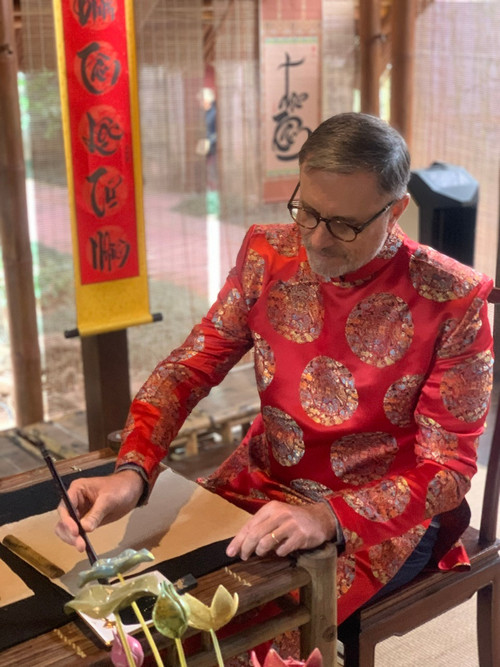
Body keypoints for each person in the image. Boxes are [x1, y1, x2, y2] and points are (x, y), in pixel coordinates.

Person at [56, 112, 494, 630]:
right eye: (307, 212)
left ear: (396, 209)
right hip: (263, 479)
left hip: (380, 517)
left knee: (238, 628)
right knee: (149, 605)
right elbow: (187, 369)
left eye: (345, 225)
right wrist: (132, 471)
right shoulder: (268, 253)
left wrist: (327, 517)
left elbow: (448, 471)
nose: (317, 240)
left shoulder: (453, 298)